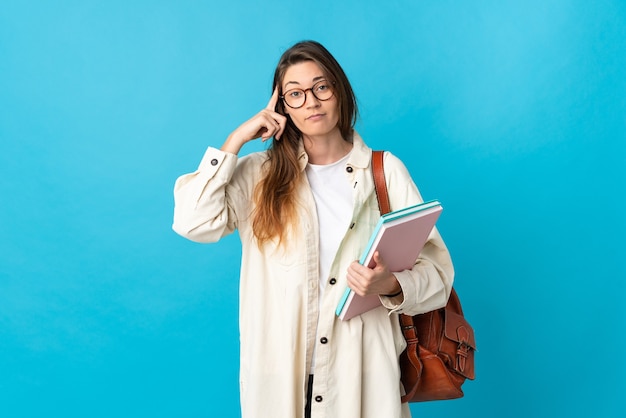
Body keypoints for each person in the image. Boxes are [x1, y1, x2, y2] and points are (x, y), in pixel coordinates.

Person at [172, 40, 454, 418]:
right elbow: (192, 221)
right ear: (281, 106)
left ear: (339, 90)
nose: (311, 101)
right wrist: (234, 141)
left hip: (360, 375)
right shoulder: (259, 175)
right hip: (279, 377)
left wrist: (388, 285)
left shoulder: (384, 172)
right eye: (295, 94)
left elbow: (438, 275)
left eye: (321, 87)